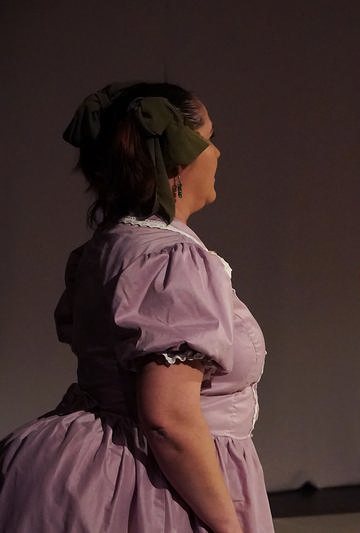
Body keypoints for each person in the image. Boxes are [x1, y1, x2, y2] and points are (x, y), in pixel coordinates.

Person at [0, 82, 273, 533]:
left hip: (87, 470)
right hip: (150, 485)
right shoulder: (170, 258)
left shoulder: (115, 243)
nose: (218, 152)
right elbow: (169, 419)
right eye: (210, 138)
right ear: (178, 160)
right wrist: (231, 527)